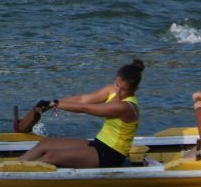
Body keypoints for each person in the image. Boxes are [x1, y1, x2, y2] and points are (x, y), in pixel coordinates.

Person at [17, 58, 145, 168]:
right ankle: (15, 167)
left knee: (52, 156)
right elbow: (81, 99)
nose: (118, 92)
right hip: (98, 144)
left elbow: (85, 108)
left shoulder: (126, 107)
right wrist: (51, 103)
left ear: (135, 89)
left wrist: (54, 104)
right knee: (45, 144)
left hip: (111, 155)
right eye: (117, 85)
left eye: (124, 89)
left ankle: (20, 176)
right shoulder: (111, 90)